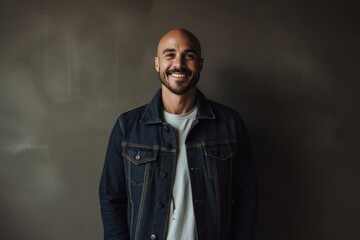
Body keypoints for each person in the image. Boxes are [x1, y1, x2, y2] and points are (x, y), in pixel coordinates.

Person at [99, 28, 258, 240]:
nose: (179, 64)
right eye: (170, 54)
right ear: (157, 63)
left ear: (200, 64)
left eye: (188, 56)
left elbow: (246, 196)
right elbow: (111, 198)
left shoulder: (230, 125)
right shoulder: (127, 128)